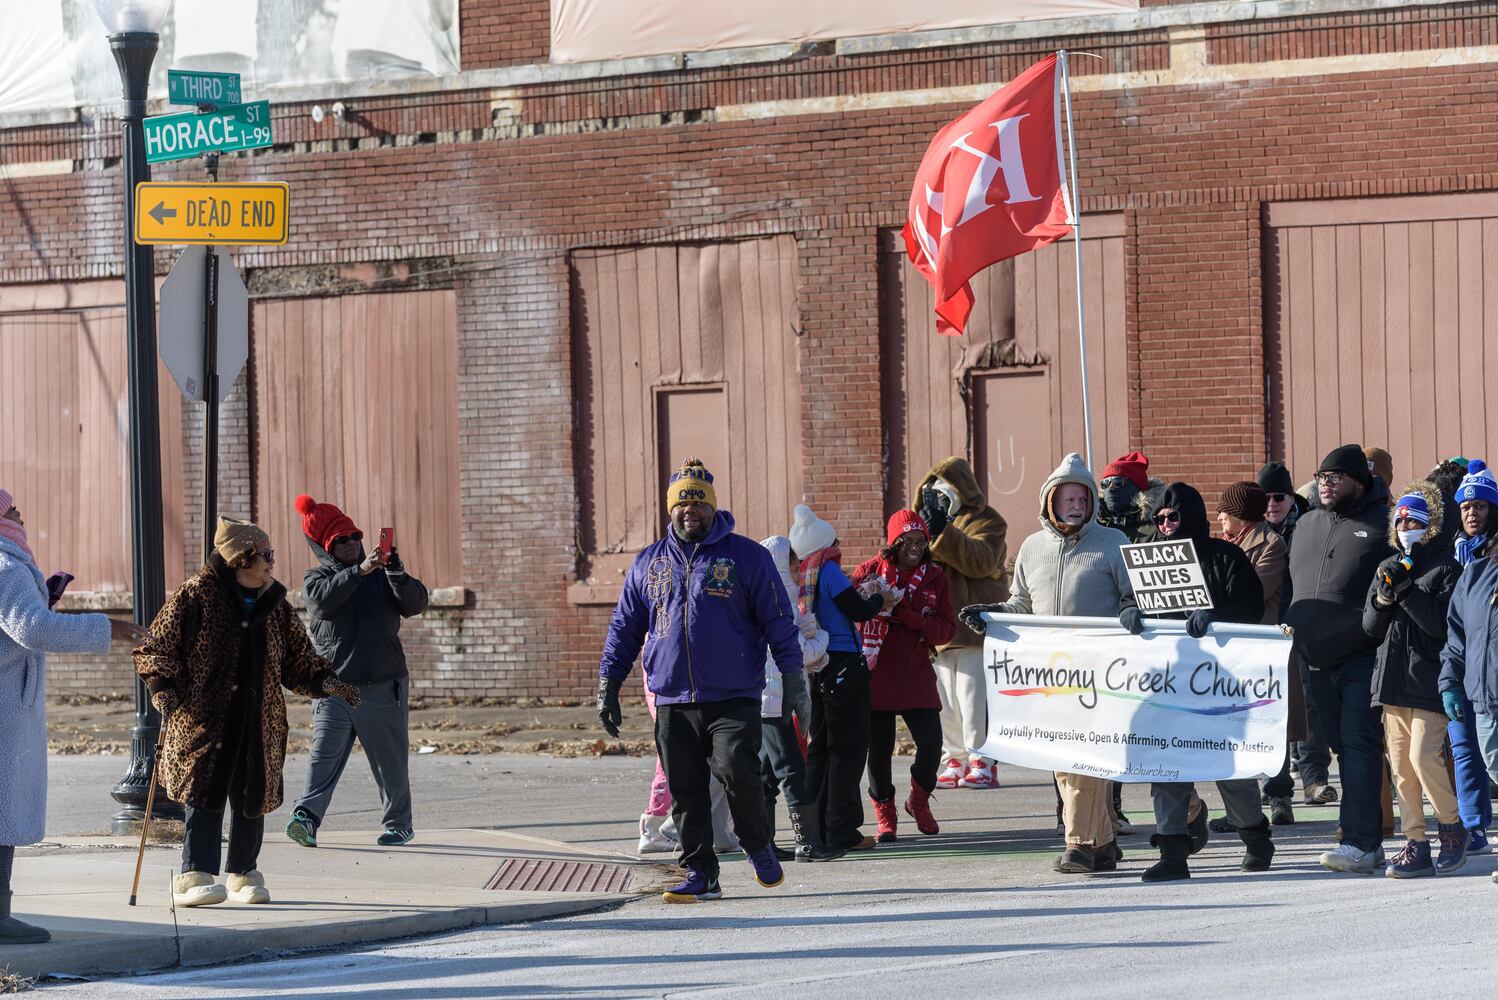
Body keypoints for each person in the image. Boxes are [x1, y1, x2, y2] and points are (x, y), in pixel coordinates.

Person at [597, 459, 802, 902]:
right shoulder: (648, 563)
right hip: (672, 696)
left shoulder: (748, 557)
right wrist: (608, 684)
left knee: (737, 771)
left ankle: (756, 841)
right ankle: (701, 873)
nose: (690, 511)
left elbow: (779, 622)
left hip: (733, 695)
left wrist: (793, 680)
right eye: (681, 504)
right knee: (685, 790)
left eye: (698, 503)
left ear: (713, 508)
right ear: (670, 510)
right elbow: (625, 628)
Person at [135, 516, 361, 907]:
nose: (272, 562)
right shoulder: (196, 595)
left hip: (260, 722)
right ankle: (194, 875)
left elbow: (299, 661)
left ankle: (243, 872)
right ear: (242, 558)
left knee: (251, 796)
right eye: (266, 555)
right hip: (204, 722)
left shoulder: (275, 603)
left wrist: (329, 683)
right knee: (204, 795)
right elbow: (155, 649)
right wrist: (163, 693)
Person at [959, 453, 1135, 875]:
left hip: (1103, 671)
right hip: (1048, 673)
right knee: (1069, 759)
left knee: (1084, 758)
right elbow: (1022, 603)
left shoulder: (1114, 544)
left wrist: (1131, 610)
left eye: (1082, 497)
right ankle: (1105, 843)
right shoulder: (1032, 549)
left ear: (1093, 501)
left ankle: (1080, 846)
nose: (1075, 505)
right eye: (1067, 498)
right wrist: (993, 614)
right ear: (1050, 502)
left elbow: (1136, 598)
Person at [0, 489, 147, 944]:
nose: (21, 516)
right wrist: (113, 627)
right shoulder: (5, 566)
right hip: (6, 707)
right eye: (13, 510)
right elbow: (33, 628)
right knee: (2, 811)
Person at [1123, 483, 1270, 881]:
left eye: (1173, 516)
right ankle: (1172, 852)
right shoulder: (1148, 561)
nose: (1166, 524)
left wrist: (1216, 616)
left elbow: (1252, 606)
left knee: (1229, 770)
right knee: (1167, 769)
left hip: (1218, 684)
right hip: (1168, 682)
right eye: (1160, 518)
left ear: (1189, 517)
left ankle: (1256, 838)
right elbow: (1129, 598)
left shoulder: (1225, 556)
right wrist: (1130, 612)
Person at [286, 495, 429, 849]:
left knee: (389, 761)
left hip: (382, 683)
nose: (352, 545)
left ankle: (398, 824)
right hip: (336, 687)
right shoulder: (316, 578)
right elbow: (322, 602)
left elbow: (416, 604)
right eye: (341, 541)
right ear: (324, 547)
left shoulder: (383, 576)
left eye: (354, 537)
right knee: (324, 754)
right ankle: (306, 818)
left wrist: (396, 574)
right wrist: (359, 571)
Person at [1285, 445, 1392, 874]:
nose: (1326, 483)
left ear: (1359, 482)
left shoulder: (1383, 522)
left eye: (1336, 476)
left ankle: (1362, 842)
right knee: (1335, 748)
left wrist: (1372, 629)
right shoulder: (1306, 522)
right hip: (1312, 659)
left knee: (1357, 744)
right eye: (1321, 475)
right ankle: (1363, 837)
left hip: (1362, 655)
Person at [1364, 482, 1465, 877]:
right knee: (1402, 769)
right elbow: (1370, 629)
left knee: (1425, 758)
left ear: (1431, 525)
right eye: (1401, 519)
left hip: (1428, 681)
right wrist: (1383, 598)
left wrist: (1405, 591)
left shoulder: (1445, 567)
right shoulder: (1387, 565)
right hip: (1391, 683)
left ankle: (1451, 827)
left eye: (1415, 519)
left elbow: (1442, 626)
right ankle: (1415, 841)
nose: (1406, 524)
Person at [851, 510, 956, 842]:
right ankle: (885, 812)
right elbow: (849, 615)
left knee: (931, 744)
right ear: (892, 543)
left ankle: (919, 800)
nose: (913, 547)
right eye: (906, 541)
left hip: (915, 671)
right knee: (878, 750)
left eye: (920, 541)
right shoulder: (868, 571)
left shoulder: (936, 578)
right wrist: (871, 601)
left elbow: (945, 630)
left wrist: (907, 616)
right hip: (875, 672)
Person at [790, 503, 889, 854]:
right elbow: (858, 611)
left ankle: (815, 827)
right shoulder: (828, 570)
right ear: (825, 543)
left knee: (820, 750)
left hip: (817, 666)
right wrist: (881, 597)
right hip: (845, 663)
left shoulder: (800, 574)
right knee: (848, 749)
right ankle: (842, 829)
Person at [911, 458, 1008, 791]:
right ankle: (953, 757)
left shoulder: (988, 521)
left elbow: (981, 561)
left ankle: (983, 759)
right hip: (936, 628)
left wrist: (943, 532)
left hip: (970, 628)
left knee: (972, 697)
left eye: (946, 492)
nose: (939, 499)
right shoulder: (923, 524)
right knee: (945, 701)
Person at [1213, 481, 1298, 828]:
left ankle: (1279, 798)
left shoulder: (1270, 544)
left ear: (1240, 514)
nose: (1218, 518)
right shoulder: (1223, 546)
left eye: (1224, 511)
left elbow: (1255, 591)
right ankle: (1240, 812)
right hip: (1230, 650)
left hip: (1261, 647)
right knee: (1235, 730)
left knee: (1268, 728)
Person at [757, 534, 835, 861]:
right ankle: (808, 843)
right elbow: (800, 651)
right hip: (774, 700)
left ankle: (765, 843)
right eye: (794, 563)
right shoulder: (779, 602)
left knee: (765, 774)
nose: (799, 569)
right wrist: (823, 640)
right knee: (791, 770)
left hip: (762, 698)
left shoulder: (765, 598)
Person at [1260, 461, 1333, 808]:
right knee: (1270, 709)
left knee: (1308, 704)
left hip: (1306, 627)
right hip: (1267, 633)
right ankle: (1278, 791)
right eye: (1265, 497)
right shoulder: (1254, 534)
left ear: (1291, 498)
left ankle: (1315, 779)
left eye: (1278, 496)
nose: (1271, 504)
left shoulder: (1311, 526)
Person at [1439, 459, 1498, 858]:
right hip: (1479, 692)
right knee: (1482, 762)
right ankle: (1475, 829)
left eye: (1480, 505)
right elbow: (1456, 638)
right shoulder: (1470, 572)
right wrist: (1448, 681)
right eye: (1465, 507)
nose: (1472, 513)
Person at [1097, 451, 1156, 543]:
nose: (1110, 488)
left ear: (1137, 488)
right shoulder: (1095, 526)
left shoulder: (1160, 526)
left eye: (1117, 481)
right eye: (1105, 483)